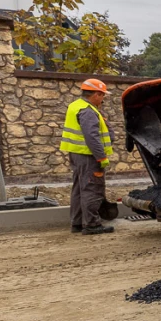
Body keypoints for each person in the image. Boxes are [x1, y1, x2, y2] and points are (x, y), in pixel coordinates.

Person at [60, 78, 115, 235]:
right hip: (89, 156)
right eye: (103, 95)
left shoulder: (76, 106)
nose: (103, 99)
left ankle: (77, 223)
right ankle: (91, 225)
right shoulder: (87, 111)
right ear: (97, 94)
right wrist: (101, 157)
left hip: (78, 154)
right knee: (92, 189)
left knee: (79, 189)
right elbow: (92, 137)